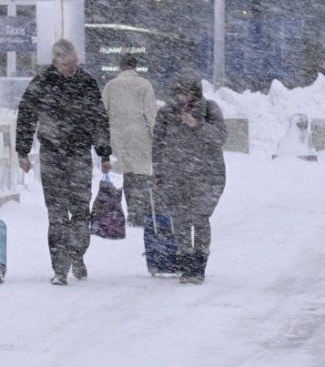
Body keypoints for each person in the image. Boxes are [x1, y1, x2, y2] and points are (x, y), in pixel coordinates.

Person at [16, 39, 112, 286]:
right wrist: (22, 151)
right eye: (69, 64)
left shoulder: (87, 83)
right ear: (56, 62)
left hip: (79, 153)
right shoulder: (41, 83)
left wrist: (104, 153)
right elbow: (26, 117)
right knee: (57, 214)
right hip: (52, 154)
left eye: (76, 62)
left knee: (80, 210)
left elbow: (99, 119)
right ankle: (60, 268)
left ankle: (77, 255)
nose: (74, 67)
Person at [152, 70, 227, 284]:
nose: (184, 97)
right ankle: (186, 265)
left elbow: (220, 137)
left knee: (201, 218)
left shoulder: (209, 109)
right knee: (182, 221)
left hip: (207, 175)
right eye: (180, 93)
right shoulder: (166, 113)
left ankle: (199, 265)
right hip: (176, 175)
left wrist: (198, 125)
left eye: (189, 93)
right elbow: (157, 144)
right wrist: (158, 172)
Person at [102, 53, 158, 227]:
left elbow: (103, 113)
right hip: (140, 134)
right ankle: (143, 211)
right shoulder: (144, 85)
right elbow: (151, 113)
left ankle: (133, 210)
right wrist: (157, 136)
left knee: (129, 174)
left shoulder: (111, 86)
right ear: (135, 67)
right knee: (142, 173)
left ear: (120, 66)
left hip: (119, 136)